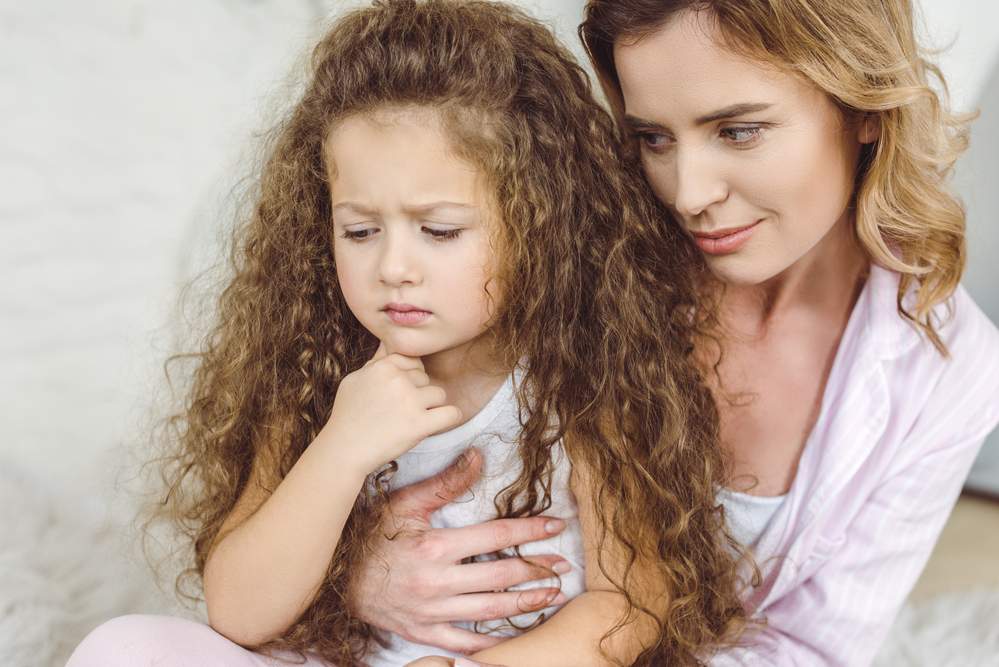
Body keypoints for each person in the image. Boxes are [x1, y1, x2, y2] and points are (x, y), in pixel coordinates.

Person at [65, 1, 750, 666]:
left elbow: (630, 604)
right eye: (359, 231)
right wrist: (341, 446)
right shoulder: (319, 373)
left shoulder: (579, 378)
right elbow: (238, 613)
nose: (393, 267)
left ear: (538, 225)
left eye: (439, 231)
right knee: (120, 647)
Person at [343, 0, 999, 665]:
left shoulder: (947, 368)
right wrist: (350, 569)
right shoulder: (562, 258)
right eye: (653, 139)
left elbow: (809, 645)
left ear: (862, 105)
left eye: (737, 131)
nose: (688, 193)